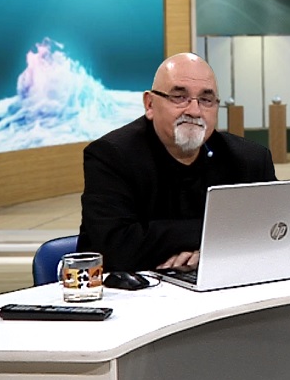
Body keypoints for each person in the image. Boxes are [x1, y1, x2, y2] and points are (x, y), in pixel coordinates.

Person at [78, 52, 276, 272]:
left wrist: (204, 252)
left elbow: (274, 230)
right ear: (150, 105)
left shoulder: (250, 159)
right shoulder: (111, 157)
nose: (194, 111)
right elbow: (114, 248)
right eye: (179, 97)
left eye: (206, 100)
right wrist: (214, 238)